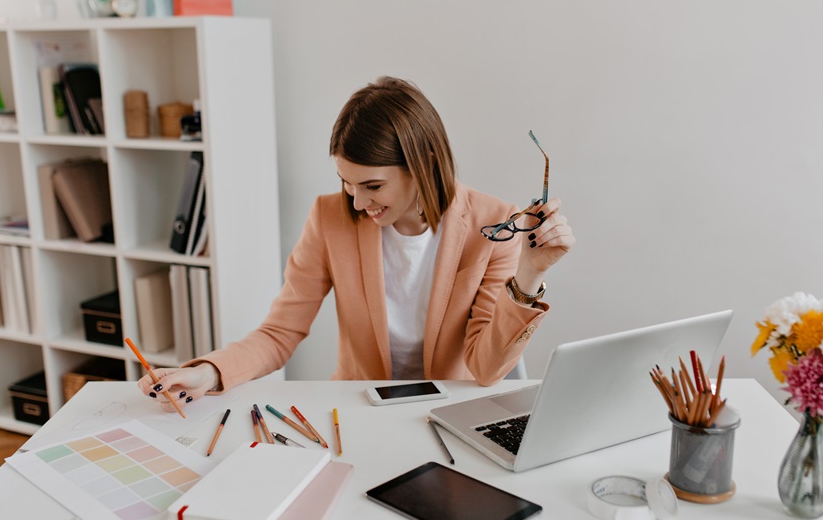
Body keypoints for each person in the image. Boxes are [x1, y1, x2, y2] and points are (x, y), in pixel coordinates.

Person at [138, 76, 575, 411]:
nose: (357, 201)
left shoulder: (494, 223)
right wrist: (209, 373)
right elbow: (279, 333)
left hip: (450, 412)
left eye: (372, 185)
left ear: (422, 165)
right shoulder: (331, 217)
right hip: (359, 411)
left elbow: (485, 368)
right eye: (346, 183)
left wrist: (530, 272)